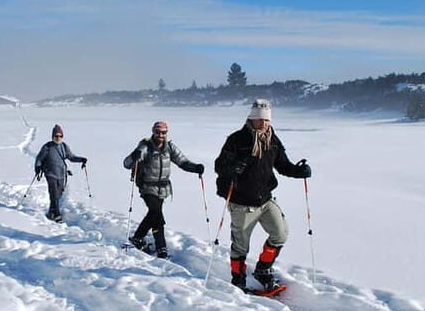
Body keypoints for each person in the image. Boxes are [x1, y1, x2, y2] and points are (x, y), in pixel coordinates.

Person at [214, 99, 311, 292]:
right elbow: (219, 166)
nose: (264, 123)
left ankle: (263, 269)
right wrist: (233, 168)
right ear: (251, 118)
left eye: (267, 120)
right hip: (242, 202)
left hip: (265, 199)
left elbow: (283, 165)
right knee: (240, 246)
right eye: (260, 119)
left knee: (280, 233)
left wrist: (298, 171)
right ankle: (238, 279)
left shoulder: (272, 139)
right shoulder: (237, 139)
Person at [123, 121, 204, 259]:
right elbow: (127, 164)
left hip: (163, 189)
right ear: (153, 132)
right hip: (147, 187)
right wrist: (134, 156)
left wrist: (196, 168)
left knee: (153, 215)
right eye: (158, 132)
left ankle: (137, 238)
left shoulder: (169, 147)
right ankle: (162, 249)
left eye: (163, 132)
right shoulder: (145, 147)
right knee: (156, 214)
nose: (161, 135)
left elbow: (182, 162)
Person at [34, 124, 87, 222]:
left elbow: (71, 157)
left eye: (60, 136)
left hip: (61, 174)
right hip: (50, 174)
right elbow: (39, 159)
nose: (58, 138)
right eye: (56, 136)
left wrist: (81, 159)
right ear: (52, 136)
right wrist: (37, 168)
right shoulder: (47, 147)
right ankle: (57, 215)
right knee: (53, 193)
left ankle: (51, 212)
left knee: (58, 194)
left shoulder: (64, 146)